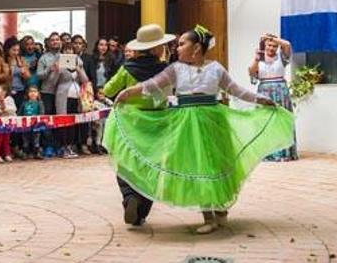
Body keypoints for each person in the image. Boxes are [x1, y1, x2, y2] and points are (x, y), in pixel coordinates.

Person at [107, 25, 295, 234]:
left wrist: (260, 99)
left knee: (216, 162)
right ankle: (209, 216)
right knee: (197, 166)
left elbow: (235, 89)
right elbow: (153, 84)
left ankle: (221, 208)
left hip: (214, 119)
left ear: (196, 48)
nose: (176, 48)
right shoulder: (175, 69)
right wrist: (128, 92)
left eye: (181, 44)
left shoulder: (215, 68)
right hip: (187, 123)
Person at [101, 24, 173, 226]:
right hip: (157, 122)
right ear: (157, 48)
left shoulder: (127, 68)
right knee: (152, 164)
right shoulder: (166, 69)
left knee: (125, 161)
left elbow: (108, 90)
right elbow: (168, 93)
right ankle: (141, 210)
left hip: (130, 121)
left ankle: (129, 197)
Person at [249, 34, 297, 161]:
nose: (271, 48)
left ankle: (284, 152)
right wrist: (256, 58)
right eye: (269, 45)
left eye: (274, 46)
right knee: (264, 120)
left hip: (280, 91)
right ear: (265, 46)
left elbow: (287, 45)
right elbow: (252, 72)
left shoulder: (281, 57)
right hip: (264, 92)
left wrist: (270, 37)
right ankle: (267, 152)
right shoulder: (259, 58)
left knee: (281, 121)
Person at [54, 45, 89, 158]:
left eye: (71, 50)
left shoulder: (79, 62)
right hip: (63, 96)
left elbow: (85, 80)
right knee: (64, 121)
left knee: (73, 122)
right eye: (66, 50)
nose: (69, 51)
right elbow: (52, 82)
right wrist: (57, 71)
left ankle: (71, 146)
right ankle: (63, 147)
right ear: (62, 52)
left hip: (76, 96)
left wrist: (79, 70)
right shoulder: (58, 62)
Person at [0, 84, 17, 163]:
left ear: (5, 92)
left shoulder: (9, 99)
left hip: (7, 123)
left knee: (7, 139)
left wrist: (6, 109)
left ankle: (7, 154)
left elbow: (14, 109)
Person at [21, 86, 44, 160]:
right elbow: (20, 113)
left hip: (36, 125)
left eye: (34, 91)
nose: (32, 93)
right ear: (28, 94)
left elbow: (42, 113)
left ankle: (37, 153)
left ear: (38, 93)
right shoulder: (24, 103)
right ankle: (25, 153)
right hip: (25, 125)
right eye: (31, 91)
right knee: (25, 139)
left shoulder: (39, 103)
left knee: (36, 139)